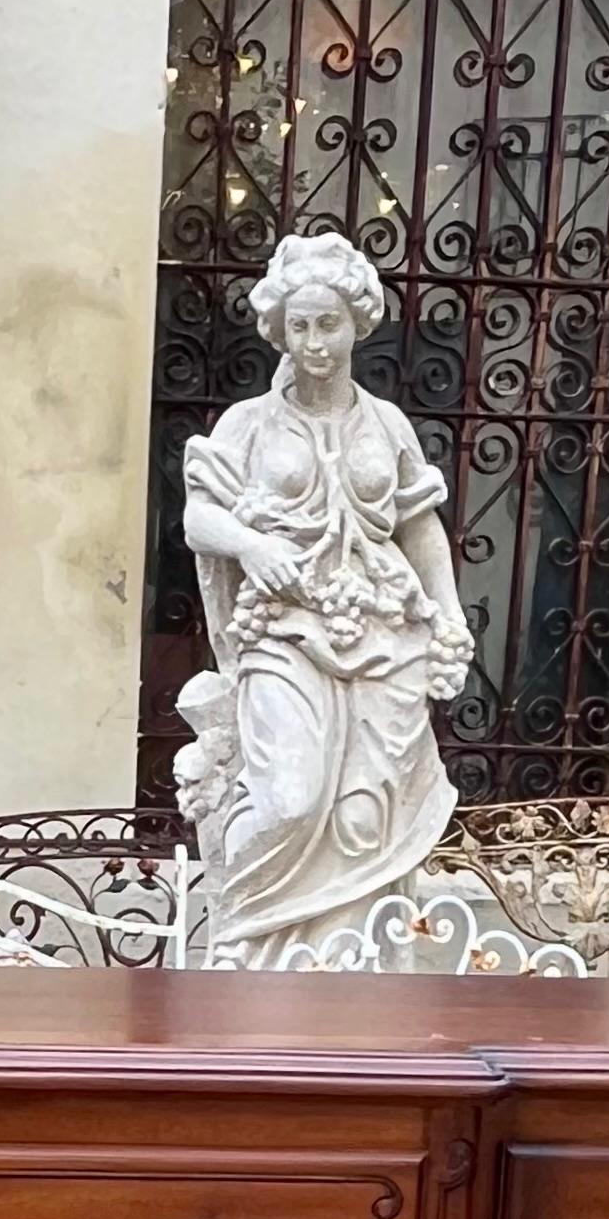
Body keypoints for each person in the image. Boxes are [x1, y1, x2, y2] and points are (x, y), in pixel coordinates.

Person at [180, 230, 473, 968]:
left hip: (384, 639)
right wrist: (252, 546)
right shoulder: (248, 424)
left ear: (357, 325)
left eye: (329, 324)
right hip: (285, 633)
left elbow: (419, 527)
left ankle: (352, 976)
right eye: (300, 325)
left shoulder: (386, 424)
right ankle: (241, 945)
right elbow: (198, 517)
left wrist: (449, 617)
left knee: (365, 821)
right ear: (279, 328)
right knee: (291, 798)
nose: (315, 342)